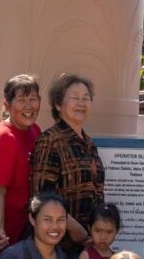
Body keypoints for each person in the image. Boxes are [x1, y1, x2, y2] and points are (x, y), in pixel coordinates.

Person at [29, 73, 105, 244]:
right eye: (75, 98)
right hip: (60, 244)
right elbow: (42, 196)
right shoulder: (50, 140)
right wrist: (76, 229)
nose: (81, 103)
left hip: (90, 243)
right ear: (58, 104)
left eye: (86, 98)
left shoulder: (89, 143)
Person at [0, 74, 42, 250]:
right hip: (5, 232)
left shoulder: (34, 130)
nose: (28, 106)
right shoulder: (4, 137)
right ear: (7, 105)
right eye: (21, 100)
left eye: (33, 99)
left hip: (25, 227)